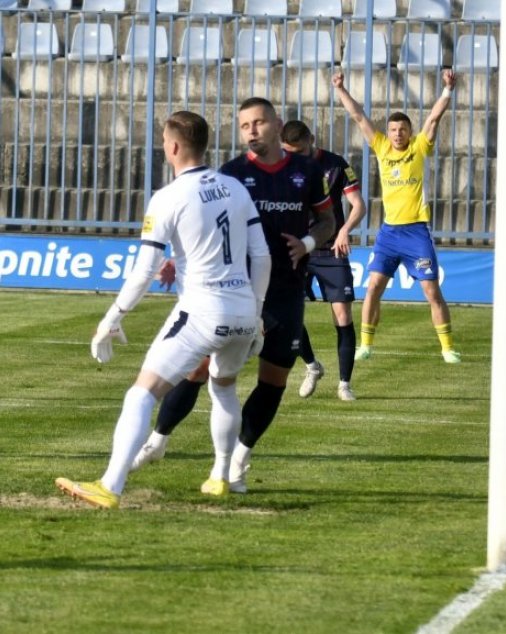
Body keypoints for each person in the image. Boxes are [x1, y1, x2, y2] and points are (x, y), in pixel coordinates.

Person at [55, 111, 272, 508]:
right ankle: (220, 476)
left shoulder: (169, 197)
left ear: (172, 147)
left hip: (202, 309)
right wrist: (256, 314)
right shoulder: (235, 187)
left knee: (142, 392)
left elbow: (145, 270)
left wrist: (112, 317)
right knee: (223, 387)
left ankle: (110, 485)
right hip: (243, 309)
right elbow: (261, 255)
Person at [130, 97, 335, 493]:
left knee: (274, 381)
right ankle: (158, 440)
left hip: (286, 292)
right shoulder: (232, 174)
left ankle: (237, 460)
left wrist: (308, 242)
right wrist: (176, 260)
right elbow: (200, 226)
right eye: (244, 126)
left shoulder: (308, 171)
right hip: (235, 294)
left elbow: (327, 220)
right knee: (199, 370)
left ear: (276, 124)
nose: (252, 131)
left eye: (258, 123)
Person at [331, 69, 461, 364]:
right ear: (387, 133)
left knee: (431, 290)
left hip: (416, 232)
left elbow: (433, 120)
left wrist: (447, 91)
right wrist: (340, 88)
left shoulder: (418, 147)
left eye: (402, 129)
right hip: (389, 233)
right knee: (374, 286)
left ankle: (447, 347)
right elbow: (359, 117)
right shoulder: (380, 147)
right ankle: (366, 344)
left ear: (409, 132)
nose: (397, 134)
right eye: (393, 130)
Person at [280, 119, 366, 402]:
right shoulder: (282, 167)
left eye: (299, 151)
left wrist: (343, 230)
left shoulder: (335, 164)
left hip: (331, 250)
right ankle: (312, 366)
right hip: (299, 251)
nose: (294, 157)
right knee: (287, 316)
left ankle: (344, 384)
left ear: (312, 140)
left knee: (342, 316)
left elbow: (358, 205)